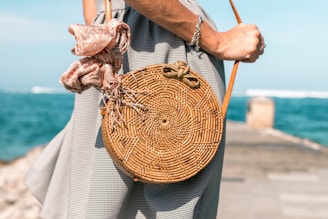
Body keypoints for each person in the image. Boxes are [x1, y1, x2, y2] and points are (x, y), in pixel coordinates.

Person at [26, 0, 264, 218]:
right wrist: (217, 41)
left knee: (97, 202)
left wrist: (103, 37)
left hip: (119, 40)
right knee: (174, 206)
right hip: (167, 41)